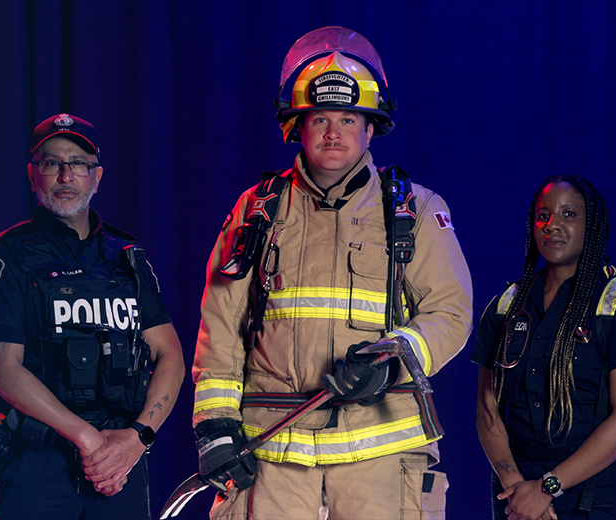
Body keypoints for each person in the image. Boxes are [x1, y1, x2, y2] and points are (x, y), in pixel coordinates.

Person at [191, 27, 473, 519]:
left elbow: (450, 312)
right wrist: (214, 424)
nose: (333, 132)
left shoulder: (415, 210)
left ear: (370, 128)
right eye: (320, 117)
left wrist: (390, 360)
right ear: (297, 126)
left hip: (379, 457)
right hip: (274, 455)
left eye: (348, 118)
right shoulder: (257, 210)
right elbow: (222, 324)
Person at [0, 113, 185, 520]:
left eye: (79, 163)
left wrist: (138, 438)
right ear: (34, 176)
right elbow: (2, 370)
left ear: (96, 176)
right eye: (52, 163)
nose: (66, 175)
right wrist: (87, 439)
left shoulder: (128, 257)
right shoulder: (8, 254)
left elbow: (169, 353)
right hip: (40, 460)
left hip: (121, 462)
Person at [472, 175, 616, 520]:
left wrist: (546, 489)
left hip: (598, 501)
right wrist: (516, 488)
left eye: (569, 214)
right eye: (542, 216)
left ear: (593, 226)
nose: (552, 225)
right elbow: (487, 407)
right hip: (516, 500)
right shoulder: (506, 305)